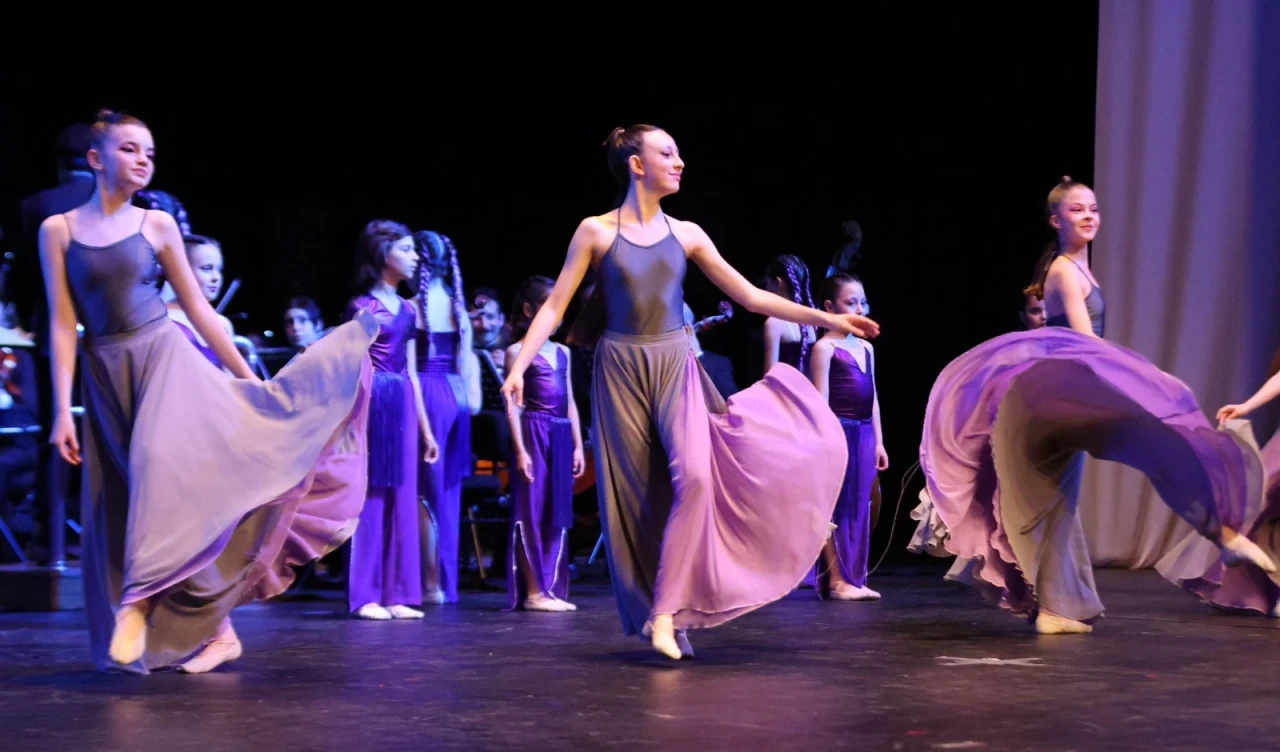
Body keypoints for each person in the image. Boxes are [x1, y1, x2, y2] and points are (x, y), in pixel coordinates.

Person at [500, 124, 879, 659]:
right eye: (667, 153)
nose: (679, 162)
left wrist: (830, 319)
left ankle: (664, 612)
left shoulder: (687, 234)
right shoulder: (596, 231)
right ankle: (666, 613)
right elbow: (557, 306)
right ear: (636, 165)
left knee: (696, 479)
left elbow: (750, 297)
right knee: (642, 498)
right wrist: (518, 368)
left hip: (676, 362)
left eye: (677, 153)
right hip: (620, 368)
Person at [39, 109, 378, 673]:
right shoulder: (59, 230)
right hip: (104, 376)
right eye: (129, 149)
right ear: (95, 159)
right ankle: (219, 634)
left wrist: (250, 378)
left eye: (149, 152)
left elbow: (198, 309)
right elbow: (60, 322)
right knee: (136, 499)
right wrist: (61, 411)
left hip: (162, 360)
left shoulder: (156, 226)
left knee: (157, 472)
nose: (143, 159)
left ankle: (136, 603)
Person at [910, 176, 1275, 635]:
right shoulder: (1064, 271)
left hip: (1061, 396)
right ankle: (1219, 533)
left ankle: (1057, 607)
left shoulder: (1080, 271)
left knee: (1061, 499)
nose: (1088, 216)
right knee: (1146, 443)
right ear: (1055, 220)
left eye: (1094, 209)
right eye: (1077, 209)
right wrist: (1146, 382)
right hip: (1054, 396)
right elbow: (1088, 346)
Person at [344, 220, 440, 620]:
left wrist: (426, 430)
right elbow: (351, 367)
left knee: (403, 496)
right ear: (384, 255)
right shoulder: (362, 308)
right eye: (406, 249)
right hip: (372, 403)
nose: (415, 257)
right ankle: (365, 594)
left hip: (401, 401)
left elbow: (412, 372)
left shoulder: (409, 309)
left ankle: (398, 592)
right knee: (371, 498)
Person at [504, 276, 585, 612]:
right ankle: (534, 591)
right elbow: (514, 407)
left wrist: (578, 445)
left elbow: (570, 402)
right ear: (529, 310)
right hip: (534, 432)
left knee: (558, 511)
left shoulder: (564, 352)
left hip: (561, 433)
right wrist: (521, 450)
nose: (558, 315)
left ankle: (550, 587)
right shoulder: (516, 352)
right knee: (532, 510)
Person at [809, 272, 885, 601]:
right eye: (850, 302)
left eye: (862, 302)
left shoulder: (866, 348)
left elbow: (874, 397)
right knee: (835, 505)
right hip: (838, 431)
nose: (859, 309)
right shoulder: (824, 348)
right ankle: (836, 580)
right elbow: (821, 400)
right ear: (830, 307)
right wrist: (826, 441)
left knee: (859, 506)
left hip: (864, 433)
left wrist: (879, 441)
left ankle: (855, 576)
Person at [412, 229, 479, 605]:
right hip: (455, 396)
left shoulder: (410, 307)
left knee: (422, 492)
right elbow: (466, 368)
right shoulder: (458, 307)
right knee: (447, 494)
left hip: (424, 393)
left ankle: (428, 583)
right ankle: (442, 582)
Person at [162, 234, 234, 370]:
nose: (216, 277)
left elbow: (229, 377)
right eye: (206, 268)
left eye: (219, 270)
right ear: (182, 270)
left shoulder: (222, 323)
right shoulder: (160, 317)